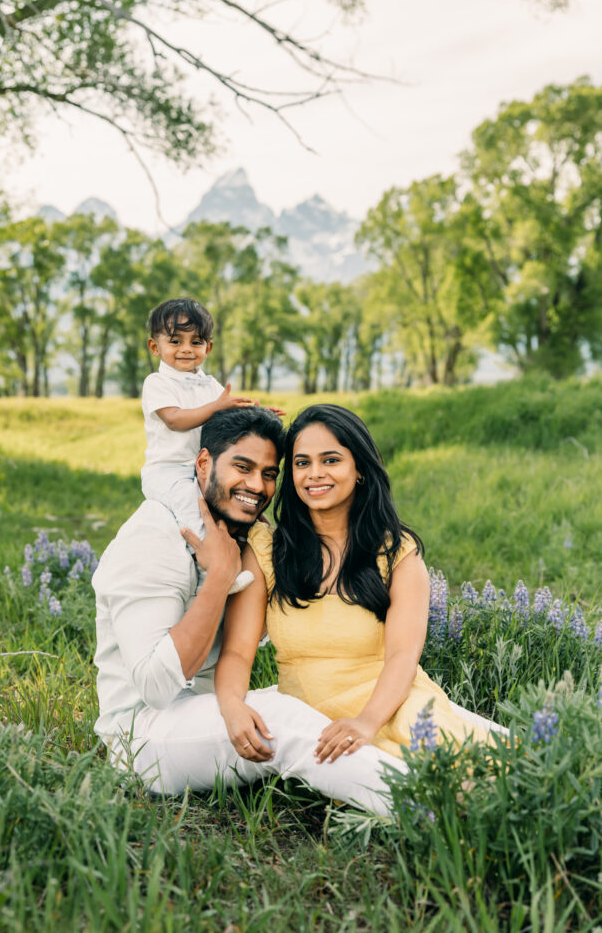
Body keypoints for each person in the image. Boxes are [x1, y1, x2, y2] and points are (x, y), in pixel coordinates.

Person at [93, 407, 407, 813]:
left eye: (269, 473)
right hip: (143, 737)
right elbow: (156, 688)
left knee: (325, 695)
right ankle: (420, 806)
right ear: (203, 463)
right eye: (242, 467)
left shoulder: (247, 537)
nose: (256, 486)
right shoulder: (153, 538)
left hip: (212, 712)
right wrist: (219, 579)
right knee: (283, 718)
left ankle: (491, 764)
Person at [216, 404, 505, 765]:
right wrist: (230, 705)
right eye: (302, 463)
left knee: (457, 768)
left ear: (360, 470)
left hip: (393, 704)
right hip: (310, 719)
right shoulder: (269, 551)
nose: (315, 474)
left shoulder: (397, 552)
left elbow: (403, 656)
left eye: (331, 460)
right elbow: (238, 652)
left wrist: (367, 722)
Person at [141, 296, 263, 593]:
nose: (186, 349)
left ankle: (250, 561)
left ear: (208, 348)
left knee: (234, 505)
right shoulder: (157, 383)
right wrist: (216, 407)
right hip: (168, 471)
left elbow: (231, 414)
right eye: (175, 341)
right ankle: (212, 569)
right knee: (192, 506)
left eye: (196, 342)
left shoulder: (210, 386)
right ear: (155, 347)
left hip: (204, 469)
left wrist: (257, 415)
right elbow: (175, 419)